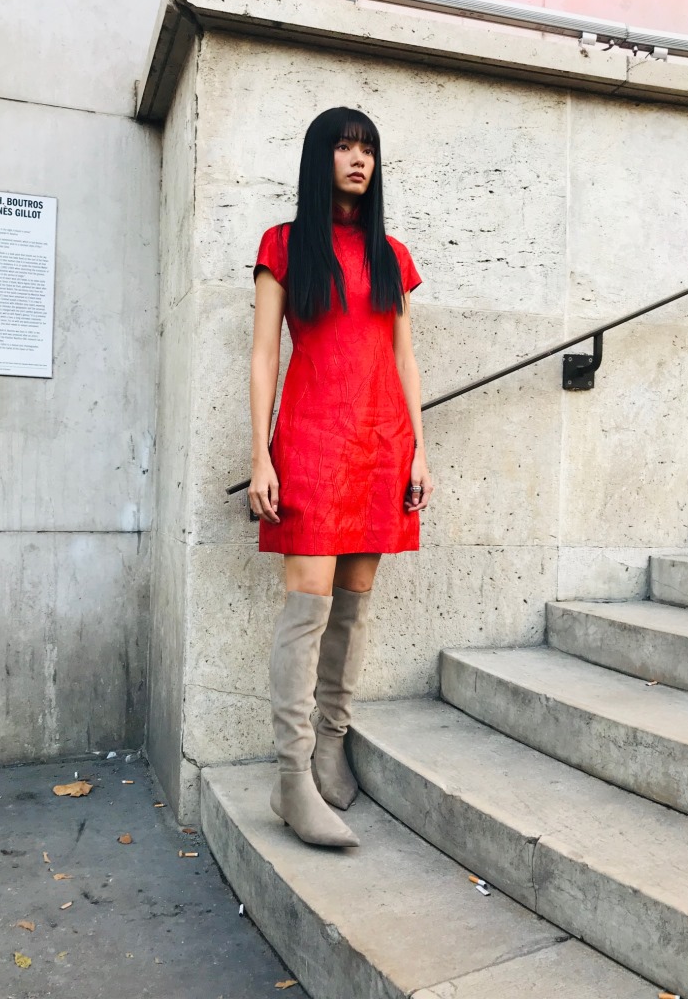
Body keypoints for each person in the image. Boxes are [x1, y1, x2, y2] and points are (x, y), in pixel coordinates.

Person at [248, 107, 432, 848]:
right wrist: (259, 453)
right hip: (313, 441)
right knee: (308, 609)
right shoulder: (284, 245)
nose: (359, 160)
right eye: (345, 147)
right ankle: (292, 777)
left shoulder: (392, 254)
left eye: (369, 150)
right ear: (319, 157)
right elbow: (264, 354)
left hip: (381, 443)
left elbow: (404, 357)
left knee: (353, 607)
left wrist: (419, 450)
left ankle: (332, 742)